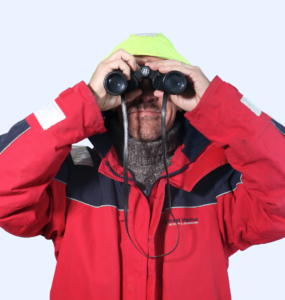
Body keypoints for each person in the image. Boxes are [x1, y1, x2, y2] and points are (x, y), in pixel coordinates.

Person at [0, 33, 285, 300]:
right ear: (108, 95)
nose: (146, 95)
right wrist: (84, 101)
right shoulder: (70, 176)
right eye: (130, 83)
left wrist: (216, 104)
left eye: (163, 82)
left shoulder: (220, 182)